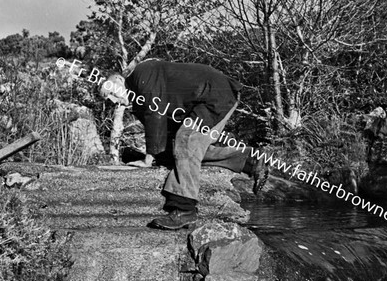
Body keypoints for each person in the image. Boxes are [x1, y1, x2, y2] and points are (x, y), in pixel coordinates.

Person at [100, 59, 269, 230]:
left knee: (187, 139)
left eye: (112, 93)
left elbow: (155, 114)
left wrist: (148, 160)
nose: (114, 101)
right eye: (109, 99)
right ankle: (249, 160)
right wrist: (158, 155)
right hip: (206, 98)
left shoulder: (142, 73)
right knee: (182, 148)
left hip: (216, 93)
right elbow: (164, 133)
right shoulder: (138, 103)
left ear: (120, 80)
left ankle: (184, 210)